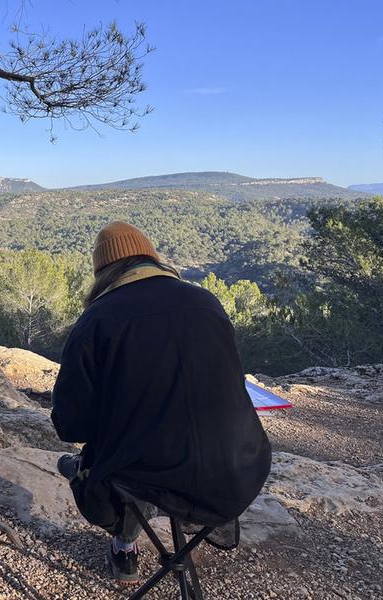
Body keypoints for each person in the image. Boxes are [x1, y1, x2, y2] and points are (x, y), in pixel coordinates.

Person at [51, 221, 271, 584]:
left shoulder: (96, 320)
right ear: (152, 258)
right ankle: (213, 515)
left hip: (148, 472)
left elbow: (71, 424)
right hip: (241, 466)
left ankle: (124, 546)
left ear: (103, 271)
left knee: (120, 455)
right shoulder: (206, 302)